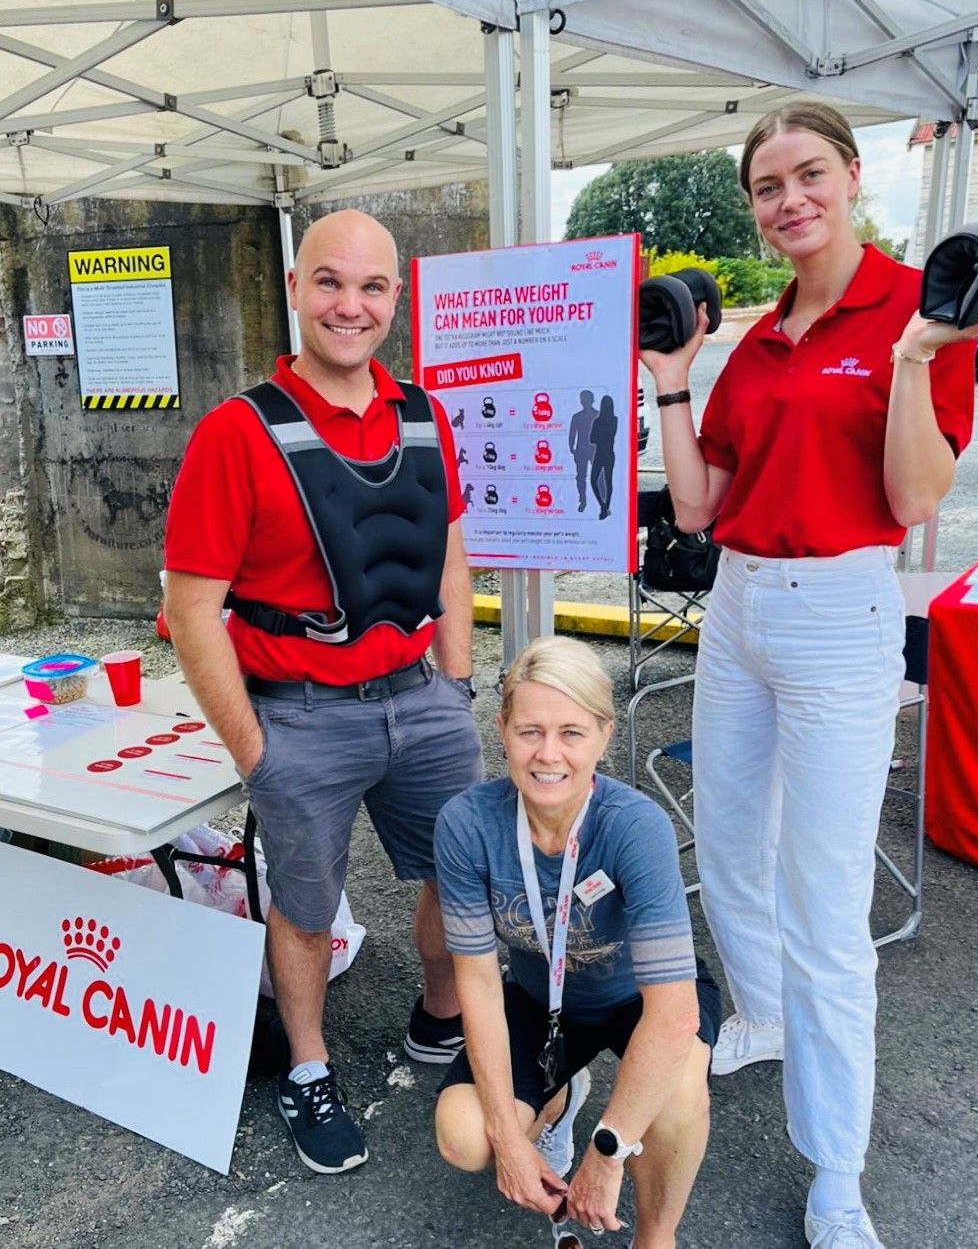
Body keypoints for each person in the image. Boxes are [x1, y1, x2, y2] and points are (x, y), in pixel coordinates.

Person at [638, 101, 978, 1248]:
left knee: (822, 903)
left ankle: (834, 1170)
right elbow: (699, 508)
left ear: (852, 177)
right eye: (767, 186)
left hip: (839, 614)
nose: (788, 199)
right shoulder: (754, 343)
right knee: (728, 845)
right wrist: (671, 375)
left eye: (808, 174)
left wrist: (911, 360)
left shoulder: (921, 307)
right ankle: (759, 1016)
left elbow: (914, 502)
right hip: (739, 607)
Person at [163, 209, 483, 1176]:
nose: (352, 304)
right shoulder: (236, 432)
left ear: (397, 298)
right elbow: (190, 609)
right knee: (304, 908)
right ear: (296, 288)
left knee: (457, 877)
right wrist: (256, 751)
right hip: (299, 715)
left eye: (373, 286)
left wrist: (458, 684)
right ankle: (308, 1065)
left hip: (420, 697)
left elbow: (451, 554)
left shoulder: (423, 414)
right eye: (331, 283)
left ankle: (439, 1015)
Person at [434, 636, 720, 1248]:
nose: (548, 754)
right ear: (502, 727)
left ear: (604, 734)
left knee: (674, 1096)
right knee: (465, 1136)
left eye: (571, 733)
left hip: (639, 1001)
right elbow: (479, 985)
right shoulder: (466, 823)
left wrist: (606, 1149)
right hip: (542, 999)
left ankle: (655, 1237)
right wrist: (512, 1146)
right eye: (529, 731)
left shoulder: (634, 825)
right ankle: (558, 1098)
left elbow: (673, 1014)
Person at [568, 389, 598, 512]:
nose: (583, 401)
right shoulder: (577, 417)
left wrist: (572, 448)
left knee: (595, 477)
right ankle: (583, 500)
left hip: (592, 449)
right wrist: (572, 449)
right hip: (583, 450)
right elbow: (572, 434)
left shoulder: (597, 415)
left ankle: (602, 503)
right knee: (581, 477)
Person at [589, 394, 618, 520]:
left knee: (603, 481)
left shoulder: (601, 421)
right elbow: (593, 438)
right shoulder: (612, 420)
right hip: (606, 454)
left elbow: (594, 438)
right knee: (604, 482)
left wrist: (600, 435)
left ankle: (605, 507)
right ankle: (604, 506)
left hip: (602, 454)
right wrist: (603, 435)